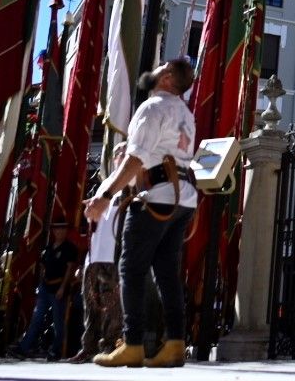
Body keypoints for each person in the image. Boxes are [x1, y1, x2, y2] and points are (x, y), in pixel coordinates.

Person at [85, 59, 199, 369]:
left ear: (165, 77)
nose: (154, 70)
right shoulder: (186, 114)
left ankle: (132, 344)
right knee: (166, 273)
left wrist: (104, 194)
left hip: (156, 197)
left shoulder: (152, 109)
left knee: (131, 269)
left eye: (160, 68)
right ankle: (175, 342)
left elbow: (136, 159)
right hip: (183, 199)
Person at [73, 169, 126, 363]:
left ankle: (109, 345)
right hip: (94, 254)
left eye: (123, 152)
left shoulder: (125, 185)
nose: (120, 155)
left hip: (112, 254)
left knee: (111, 305)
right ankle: (88, 346)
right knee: (90, 303)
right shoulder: (104, 185)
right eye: (118, 153)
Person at [14, 221, 80, 360]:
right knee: (37, 317)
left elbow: (70, 269)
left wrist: (63, 287)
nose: (59, 232)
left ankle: (56, 350)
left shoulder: (70, 248)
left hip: (59, 287)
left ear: (66, 231)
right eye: (56, 229)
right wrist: (40, 284)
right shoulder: (49, 247)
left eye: (62, 229)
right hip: (45, 287)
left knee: (58, 321)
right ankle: (24, 347)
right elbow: (43, 268)